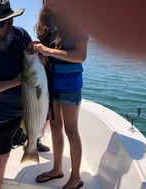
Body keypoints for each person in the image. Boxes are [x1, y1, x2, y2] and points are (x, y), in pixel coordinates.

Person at [0, 1, 48, 188]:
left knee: (43, 122)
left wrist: (40, 58)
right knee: (2, 156)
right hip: (0, 113)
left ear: (10, 23)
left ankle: (30, 141)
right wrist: (17, 81)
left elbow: (35, 60)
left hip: (26, 107)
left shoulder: (21, 35)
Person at [33, 1, 88, 189]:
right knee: (55, 126)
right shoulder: (44, 21)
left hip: (70, 82)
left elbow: (81, 56)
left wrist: (48, 50)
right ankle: (57, 168)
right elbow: (46, 56)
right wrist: (41, 56)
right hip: (50, 80)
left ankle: (76, 177)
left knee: (71, 130)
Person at [59, 0, 146, 60]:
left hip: (68, 85)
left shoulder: (78, 25)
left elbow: (81, 56)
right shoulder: (51, 21)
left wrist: (46, 51)